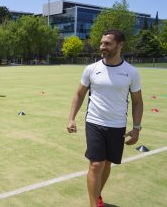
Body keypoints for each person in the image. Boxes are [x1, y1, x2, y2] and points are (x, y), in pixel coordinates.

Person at [67, 29, 143, 207]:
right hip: (94, 122)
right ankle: (94, 204)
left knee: (107, 164)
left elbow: (137, 102)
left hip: (117, 125)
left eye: (107, 43)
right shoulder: (91, 69)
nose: (102, 47)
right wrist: (71, 118)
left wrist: (137, 128)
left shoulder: (131, 72)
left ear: (120, 45)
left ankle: (97, 195)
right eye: (101, 43)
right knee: (95, 165)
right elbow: (79, 94)